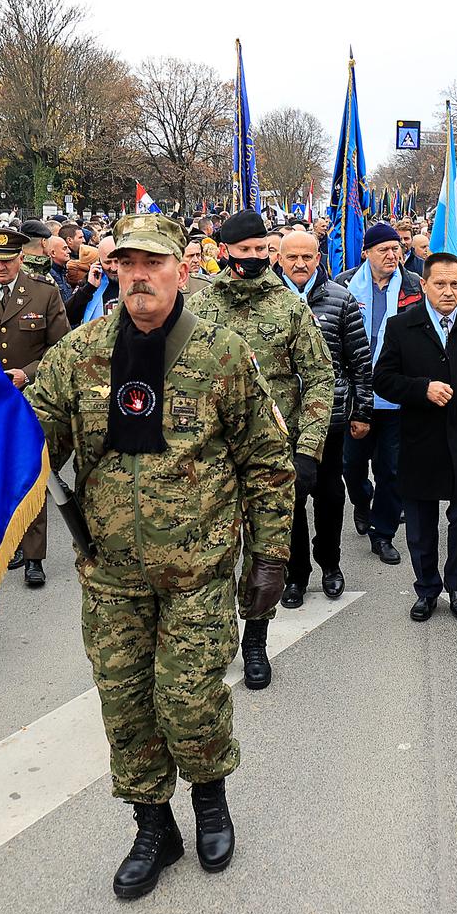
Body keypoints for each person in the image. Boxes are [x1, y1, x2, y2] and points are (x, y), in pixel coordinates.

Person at [25, 213, 291, 900]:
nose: (139, 276)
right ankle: (152, 825)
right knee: (127, 706)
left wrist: (270, 557)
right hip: (110, 573)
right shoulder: (79, 354)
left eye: (153, 263)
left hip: (198, 571)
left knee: (190, 698)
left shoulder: (222, 353)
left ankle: (209, 802)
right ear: (114, 270)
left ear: (181, 268)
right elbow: (30, 440)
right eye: (127, 264)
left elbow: (266, 462)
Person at [188, 210, 334, 690]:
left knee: (267, 553)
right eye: (244, 250)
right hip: (210, 453)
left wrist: (309, 447)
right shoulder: (201, 307)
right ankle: (214, 640)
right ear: (225, 251)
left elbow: (318, 377)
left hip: (274, 450)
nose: (253, 259)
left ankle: (256, 641)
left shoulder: (290, 308)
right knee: (209, 553)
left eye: (260, 250)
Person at [373, 253, 457, 622]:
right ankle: (427, 589)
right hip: (420, 442)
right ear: (424, 285)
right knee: (420, 527)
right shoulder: (402, 327)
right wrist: (422, 389)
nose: (449, 292)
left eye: (456, 285)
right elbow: (382, 379)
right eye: (440, 284)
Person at [0, 227, 70, 588]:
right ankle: (3, 547)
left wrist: (28, 373)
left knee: (31, 475)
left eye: (7, 262)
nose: (1, 268)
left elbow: (61, 349)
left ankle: (34, 557)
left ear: (21, 259)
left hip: (30, 399)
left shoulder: (43, 293)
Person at [276, 229, 372, 607]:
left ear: (318, 258)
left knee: (331, 496)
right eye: (292, 257)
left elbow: (359, 362)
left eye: (307, 257)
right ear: (279, 259)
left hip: (330, 421)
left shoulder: (341, 299)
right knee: (291, 500)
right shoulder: (269, 300)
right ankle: (295, 574)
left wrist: (362, 410)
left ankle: (330, 563)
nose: (300, 264)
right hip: (281, 424)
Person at [337, 223, 424, 566]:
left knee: (392, 469)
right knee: (352, 466)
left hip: (398, 394)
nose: (392, 255)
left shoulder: (416, 287)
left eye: (396, 249)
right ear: (366, 253)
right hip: (358, 393)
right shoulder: (344, 285)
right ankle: (362, 500)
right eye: (383, 250)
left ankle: (383, 532)